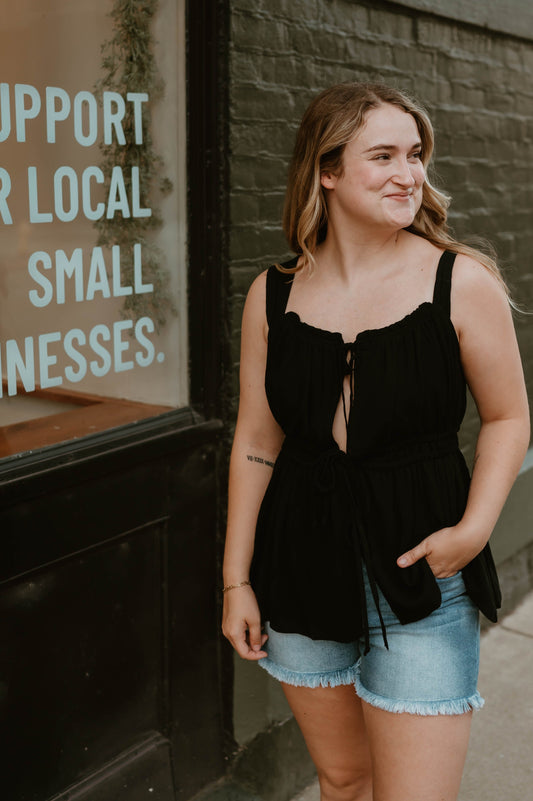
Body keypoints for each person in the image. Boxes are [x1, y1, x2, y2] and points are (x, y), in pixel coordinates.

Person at [222, 82, 530, 801]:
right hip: (299, 563)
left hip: (424, 571)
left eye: (415, 154)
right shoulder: (272, 293)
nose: (408, 173)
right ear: (324, 171)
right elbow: (255, 442)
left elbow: (509, 417)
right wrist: (237, 578)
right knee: (343, 778)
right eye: (382, 155)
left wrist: (472, 529)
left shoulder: (460, 280)